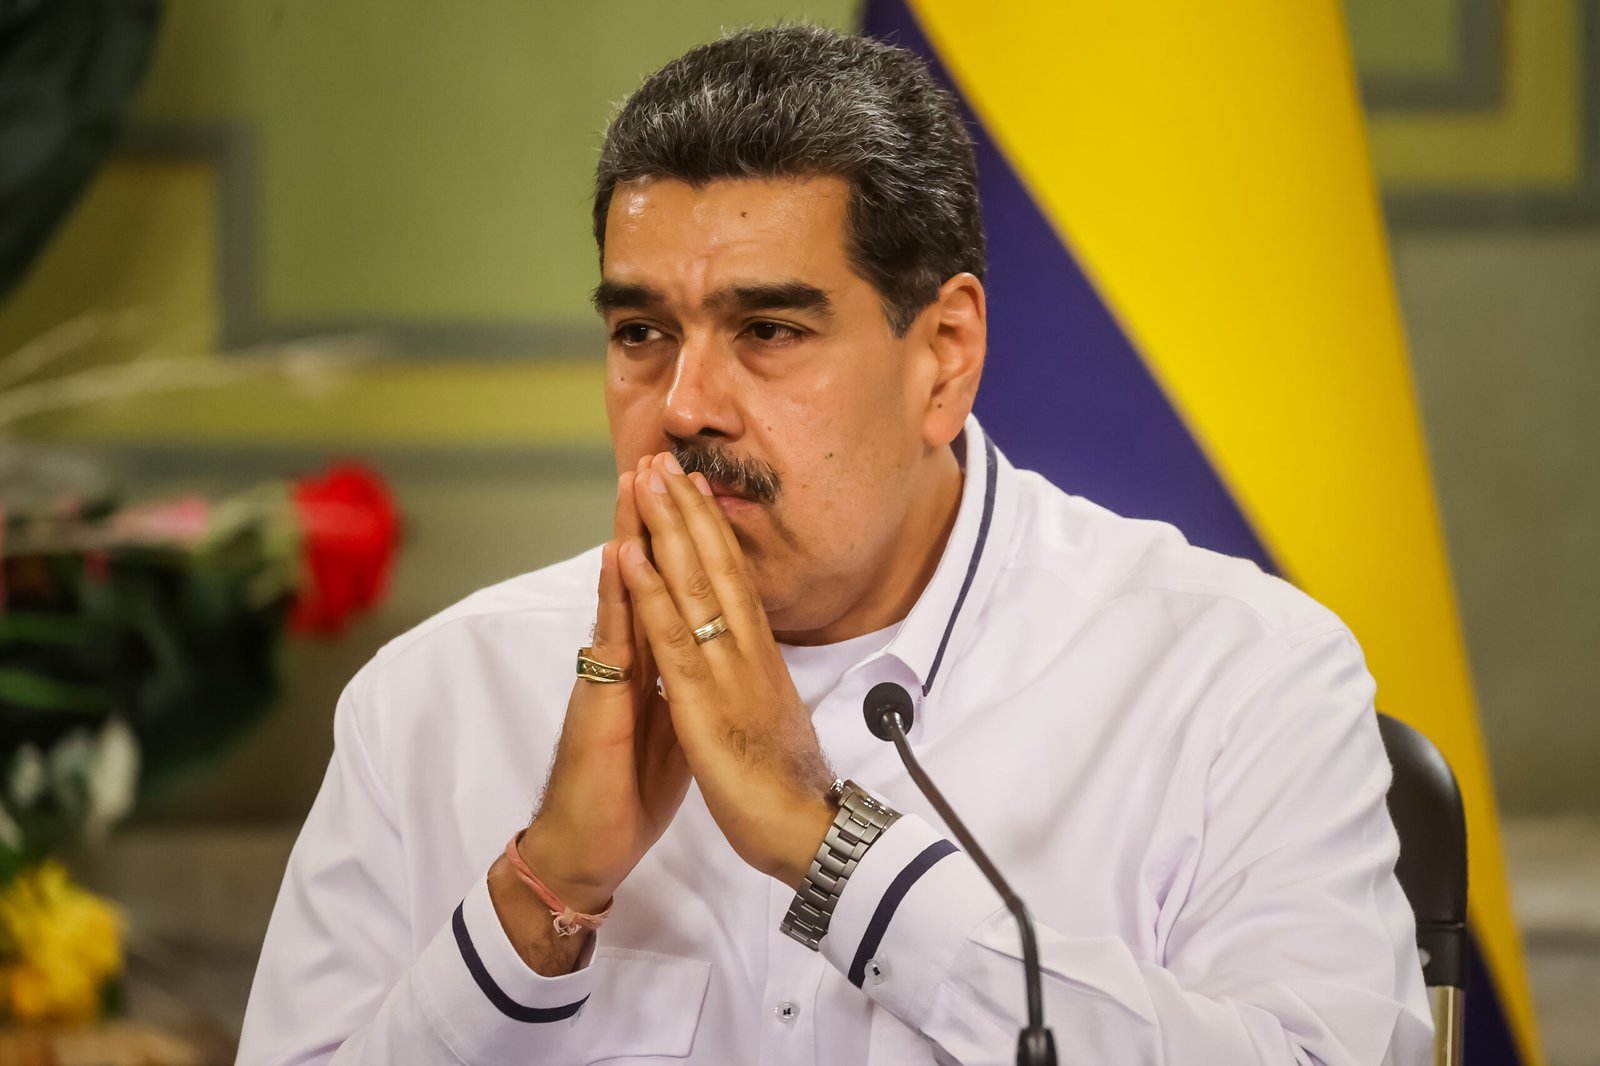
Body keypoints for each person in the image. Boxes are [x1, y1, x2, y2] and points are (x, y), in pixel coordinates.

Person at [238, 25, 1432, 1066]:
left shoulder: (1235, 678)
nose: (683, 406)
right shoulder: (437, 701)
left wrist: (833, 854)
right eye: (641, 331)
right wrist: (542, 892)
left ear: (944, 357)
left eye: (767, 329)